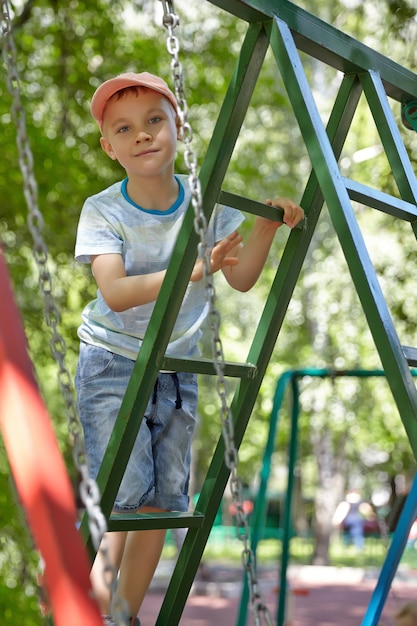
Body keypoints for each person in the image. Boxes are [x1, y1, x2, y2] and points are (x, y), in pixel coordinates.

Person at [74, 70, 304, 626]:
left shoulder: (205, 203)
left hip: (177, 367)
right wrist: (190, 270)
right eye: (125, 129)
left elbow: (241, 277)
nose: (143, 135)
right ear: (110, 147)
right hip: (113, 361)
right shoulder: (103, 209)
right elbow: (116, 292)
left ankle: (124, 616)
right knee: (125, 498)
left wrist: (268, 228)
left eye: (155, 120)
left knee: (163, 504)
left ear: (178, 126)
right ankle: (97, 611)